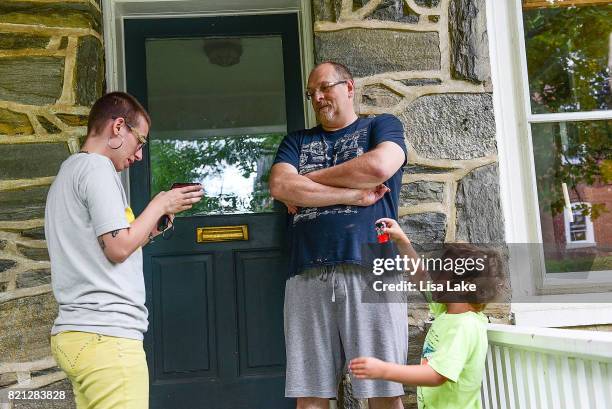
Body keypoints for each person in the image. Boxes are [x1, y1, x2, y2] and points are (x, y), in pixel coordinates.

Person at [45, 92, 203, 409]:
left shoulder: (69, 172)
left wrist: (151, 228)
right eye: (140, 141)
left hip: (78, 335)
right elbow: (117, 248)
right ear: (119, 127)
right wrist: (160, 203)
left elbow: (108, 245)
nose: (140, 155)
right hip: (107, 339)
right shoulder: (97, 169)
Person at [269, 61, 408, 409]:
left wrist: (307, 181)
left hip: (372, 270)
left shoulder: (381, 126)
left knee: (383, 392)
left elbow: (378, 167)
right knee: (310, 394)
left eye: (324, 87)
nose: (316, 97)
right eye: (311, 93)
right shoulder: (295, 141)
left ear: (349, 86)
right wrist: (352, 193)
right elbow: (280, 184)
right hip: (306, 274)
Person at [349, 218, 505, 409]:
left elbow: (436, 375)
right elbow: (420, 277)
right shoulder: (448, 311)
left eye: (442, 272)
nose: (434, 275)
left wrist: (384, 370)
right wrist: (402, 241)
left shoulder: (464, 327)